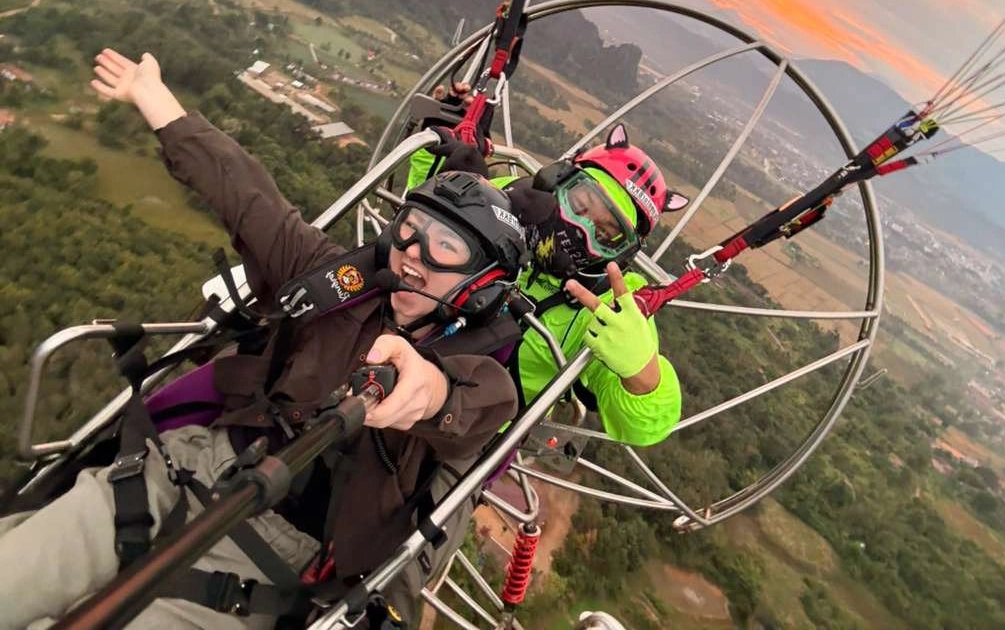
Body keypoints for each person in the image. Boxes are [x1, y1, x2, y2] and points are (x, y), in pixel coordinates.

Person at [0, 49, 528, 630]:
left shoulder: (482, 378)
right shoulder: (338, 283)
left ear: (481, 283)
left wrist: (423, 389)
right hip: (184, 470)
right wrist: (153, 96)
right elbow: (249, 198)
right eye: (411, 229)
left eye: (445, 247)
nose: (413, 254)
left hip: (270, 565)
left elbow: (464, 403)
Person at [408, 90, 687, 446]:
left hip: (464, 436)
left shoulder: (613, 305)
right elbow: (421, 218)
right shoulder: (508, 199)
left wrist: (643, 375)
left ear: (620, 253)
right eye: (581, 205)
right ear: (557, 180)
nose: (579, 230)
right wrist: (446, 129)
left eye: (604, 234)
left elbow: (644, 429)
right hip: (400, 346)